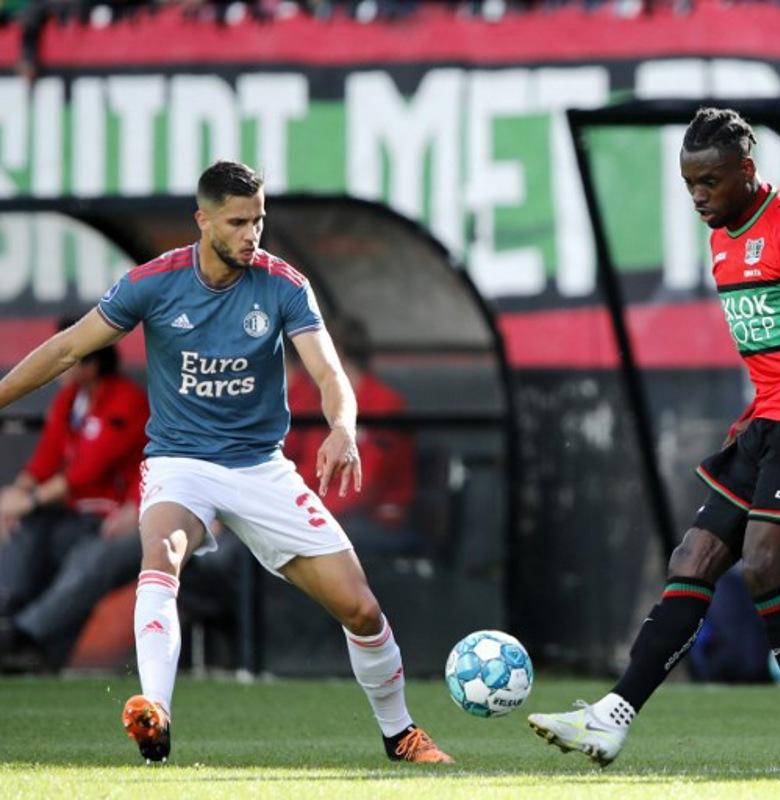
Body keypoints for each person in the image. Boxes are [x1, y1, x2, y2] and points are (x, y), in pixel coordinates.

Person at [0, 160, 452, 766]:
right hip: (180, 463)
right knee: (162, 554)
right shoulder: (153, 283)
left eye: (259, 220)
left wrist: (342, 426)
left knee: (361, 607)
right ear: (203, 219)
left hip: (260, 469)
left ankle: (401, 736)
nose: (251, 234)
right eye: (238, 221)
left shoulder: (283, 284)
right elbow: (65, 350)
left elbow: (328, 372)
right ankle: (154, 714)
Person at [528, 106, 780, 772]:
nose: (698, 196)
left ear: (747, 169)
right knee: (694, 556)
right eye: (690, 183)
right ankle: (613, 718)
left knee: (765, 564)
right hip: (769, 421)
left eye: (711, 181)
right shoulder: (722, 234)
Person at [0, 320, 149, 667]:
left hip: (122, 517)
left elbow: (87, 469)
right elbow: (45, 459)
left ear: (91, 364)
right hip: (75, 517)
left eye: (66, 356)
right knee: (26, 530)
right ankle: (11, 615)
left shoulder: (126, 399)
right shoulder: (69, 399)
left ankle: (22, 636)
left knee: (88, 559)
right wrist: (17, 497)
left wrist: (30, 500)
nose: (55, 365)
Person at [285, 316, 417, 552]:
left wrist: (309, 514)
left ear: (335, 352)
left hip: (376, 518)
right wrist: (289, 507)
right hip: (331, 514)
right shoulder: (322, 405)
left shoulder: (384, 404)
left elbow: (367, 484)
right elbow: (310, 468)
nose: (304, 362)